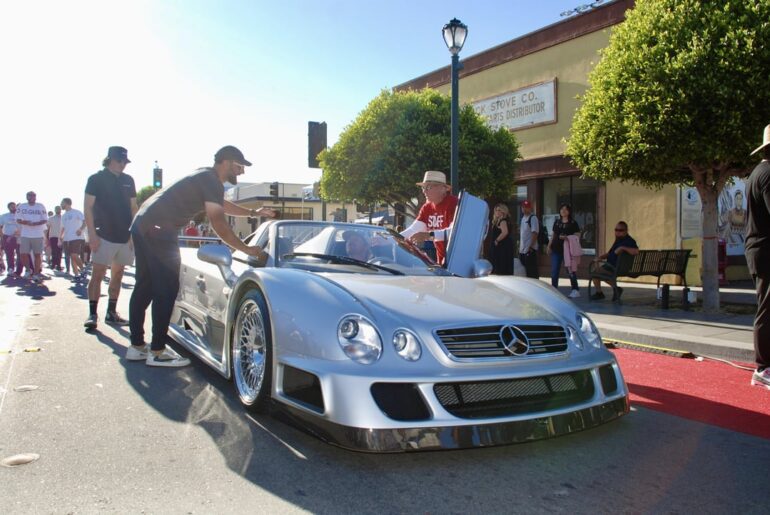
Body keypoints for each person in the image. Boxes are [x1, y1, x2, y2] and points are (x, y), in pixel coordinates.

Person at [128, 145, 276, 367]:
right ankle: (157, 352)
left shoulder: (205, 177)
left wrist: (253, 212)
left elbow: (222, 205)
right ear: (226, 162)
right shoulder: (210, 180)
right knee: (166, 289)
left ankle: (137, 347)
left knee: (145, 286)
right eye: (239, 166)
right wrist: (247, 250)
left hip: (144, 224)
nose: (242, 172)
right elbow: (218, 223)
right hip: (159, 229)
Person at [84, 146, 138, 329]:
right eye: (119, 161)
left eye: (125, 162)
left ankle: (111, 312)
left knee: (118, 274)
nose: (123, 164)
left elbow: (133, 208)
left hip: (124, 236)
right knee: (97, 274)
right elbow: (88, 207)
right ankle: (92, 314)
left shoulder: (128, 180)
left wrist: (133, 233)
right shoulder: (95, 179)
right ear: (109, 160)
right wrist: (92, 234)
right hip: (103, 234)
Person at [746, 124, 770, 390]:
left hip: (760, 249)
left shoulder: (759, 171)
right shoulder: (768, 174)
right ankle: (763, 367)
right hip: (766, 251)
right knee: (767, 309)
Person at [400, 171, 459, 266]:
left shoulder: (454, 204)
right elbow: (412, 230)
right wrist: (389, 238)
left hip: (459, 261)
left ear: (443, 188)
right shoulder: (426, 208)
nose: (424, 191)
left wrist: (428, 235)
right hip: (443, 262)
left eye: (428, 187)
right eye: (423, 187)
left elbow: (455, 233)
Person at [590, 221, 639, 302]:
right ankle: (607, 291)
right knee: (597, 272)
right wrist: (600, 257)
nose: (617, 232)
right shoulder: (618, 240)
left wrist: (623, 248)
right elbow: (610, 253)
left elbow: (636, 251)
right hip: (611, 266)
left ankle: (608, 291)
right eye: (616, 230)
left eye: (620, 230)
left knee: (595, 273)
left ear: (626, 231)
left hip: (617, 267)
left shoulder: (629, 241)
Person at [547, 203, 581, 297]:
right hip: (556, 250)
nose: (563, 211)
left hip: (568, 251)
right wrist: (549, 246)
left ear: (569, 211)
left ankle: (575, 289)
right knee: (554, 271)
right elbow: (553, 235)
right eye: (562, 209)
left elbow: (578, 235)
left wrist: (568, 238)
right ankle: (554, 289)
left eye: (566, 209)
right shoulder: (557, 222)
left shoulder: (573, 223)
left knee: (570, 270)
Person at [16, 191, 48, 281]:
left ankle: (36, 273)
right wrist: (25, 222)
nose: (31, 197)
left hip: (38, 234)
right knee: (23, 254)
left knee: (37, 254)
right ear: (26, 197)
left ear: (35, 197)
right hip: (25, 234)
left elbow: (45, 219)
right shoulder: (21, 206)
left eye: (33, 196)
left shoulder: (40, 206)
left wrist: (36, 223)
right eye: (29, 196)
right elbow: (18, 219)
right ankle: (28, 269)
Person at [60, 197, 87, 280]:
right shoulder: (63, 216)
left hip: (76, 237)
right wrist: (60, 237)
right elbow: (63, 227)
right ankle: (76, 275)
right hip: (67, 238)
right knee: (71, 257)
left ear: (67, 203)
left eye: (62, 203)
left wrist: (81, 229)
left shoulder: (76, 212)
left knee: (74, 255)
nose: (61, 205)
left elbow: (85, 221)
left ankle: (83, 270)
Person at [489, 203, 514, 275]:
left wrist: (497, 240)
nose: (497, 211)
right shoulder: (500, 220)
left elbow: (505, 232)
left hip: (502, 247)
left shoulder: (503, 221)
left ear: (503, 211)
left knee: (501, 266)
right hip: (503, 246)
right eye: (496, 210)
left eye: (499, 210)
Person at [0, 202, 22, 277]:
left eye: (14, 206)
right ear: (8, 208)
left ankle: (18, 271)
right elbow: (1, 226)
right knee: (9, 254)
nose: (13, 208)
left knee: (20, 254)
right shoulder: (4, 216)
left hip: (18, 237)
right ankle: (10, 269)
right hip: (7, 237)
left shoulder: (20, 216)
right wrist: (2, 237)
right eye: (11, 207)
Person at [518, 200, 540, 278]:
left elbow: (535, 233)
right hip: (522, 250)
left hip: (530, 249)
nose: (524, 209)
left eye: (526, 207)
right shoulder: (523, 218)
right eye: (523, 207)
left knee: (532, 272)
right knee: (525, 272)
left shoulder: (533, 218)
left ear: (530, 208)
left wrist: (530, 247)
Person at [47, 205, 63, 271]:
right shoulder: (51, 218)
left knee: (59, 251)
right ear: (55, 210)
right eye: (56, 209)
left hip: (61, 237)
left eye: (59, 209)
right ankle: (53, 264)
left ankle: (58, 265)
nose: (58, 210)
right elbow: (47, 227)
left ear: (60, 210)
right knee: (54, 251)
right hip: (53, 236)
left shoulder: (63, 218)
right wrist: (46, 236)